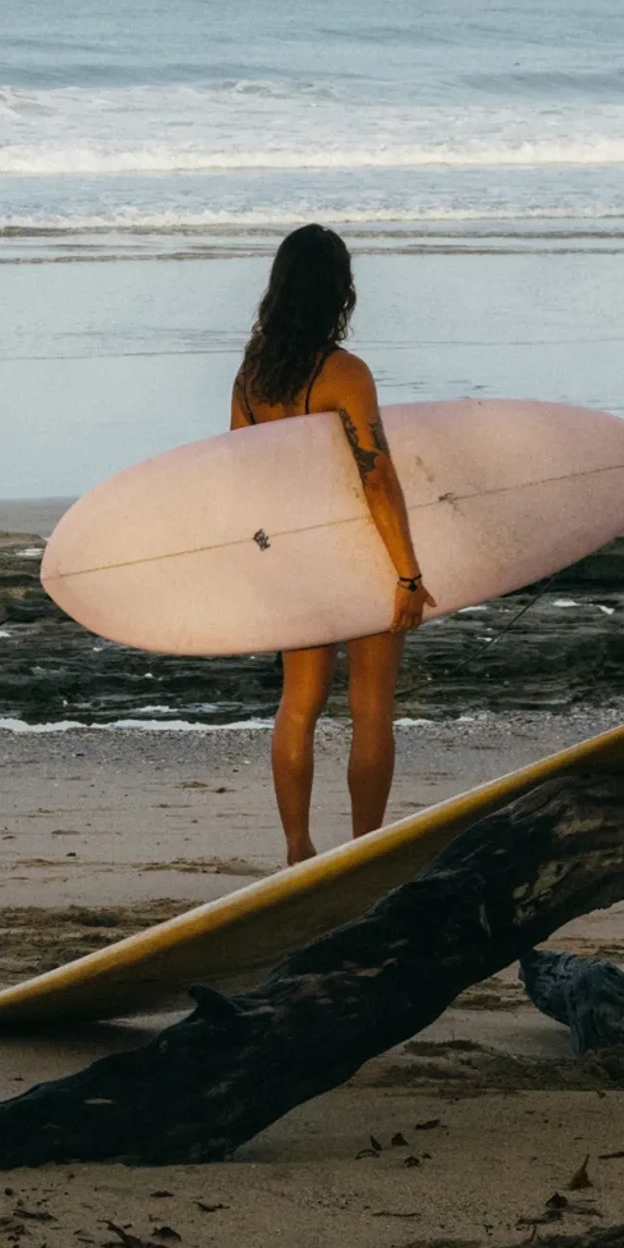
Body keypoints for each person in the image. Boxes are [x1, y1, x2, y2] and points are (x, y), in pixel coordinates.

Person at [230, 221, 428, 865]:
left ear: (279, 290)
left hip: (294, 554)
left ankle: (297, 853)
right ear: (338, 293)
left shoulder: (251, 378)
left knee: (300, 702)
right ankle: (364, 852)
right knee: (370, 706)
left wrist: (266, 561)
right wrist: (405, 572)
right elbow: (378, 476)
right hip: (358, 553)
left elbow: (244, 472)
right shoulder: (344, 373)